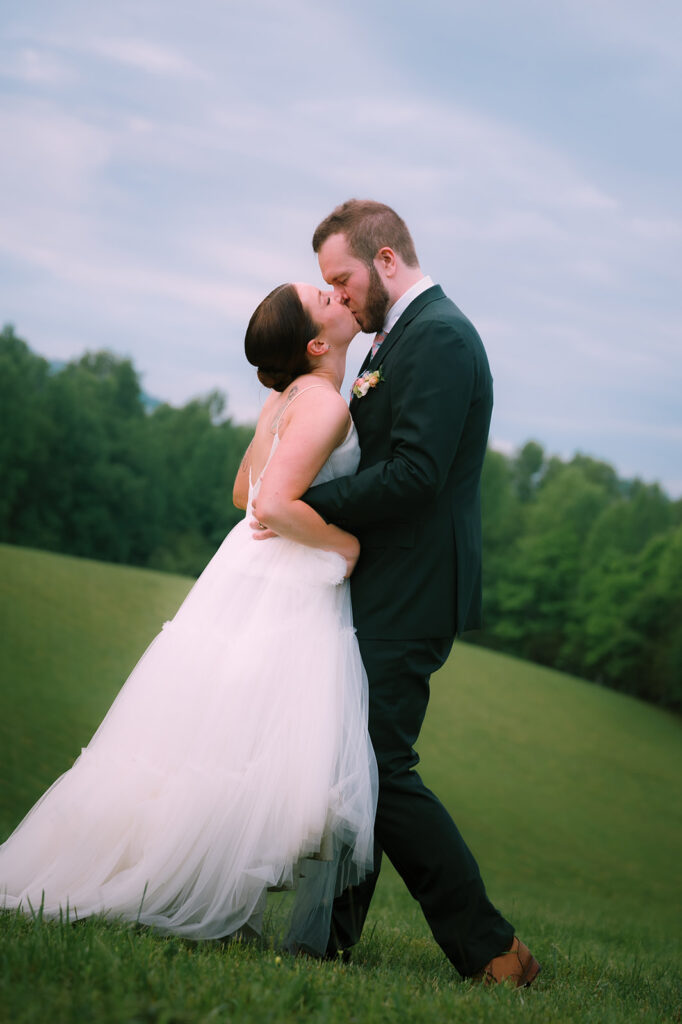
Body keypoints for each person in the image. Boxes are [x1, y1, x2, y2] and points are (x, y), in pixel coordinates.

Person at [0, 282, 377, 957]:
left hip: (244, 572)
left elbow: (243, 491)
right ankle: (204, 889)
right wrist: (344, 543)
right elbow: (272, 506)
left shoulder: (284, 397)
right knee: (253, 737)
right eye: (322, 297)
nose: (334, 293)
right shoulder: (322, 406)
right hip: (288, 574)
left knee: (216, 733)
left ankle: (207, 885)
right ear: (318, 343)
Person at [289, 199, 540, 985]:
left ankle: (493, 949)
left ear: (387, 259)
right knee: (357, 759)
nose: (341, 296)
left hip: (418, 583)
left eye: (344, 278)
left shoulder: (440, 337)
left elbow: (417, 475)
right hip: (388, 576)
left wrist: (305, 504)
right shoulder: (399, 336)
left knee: (379, 762)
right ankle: (323, 937)